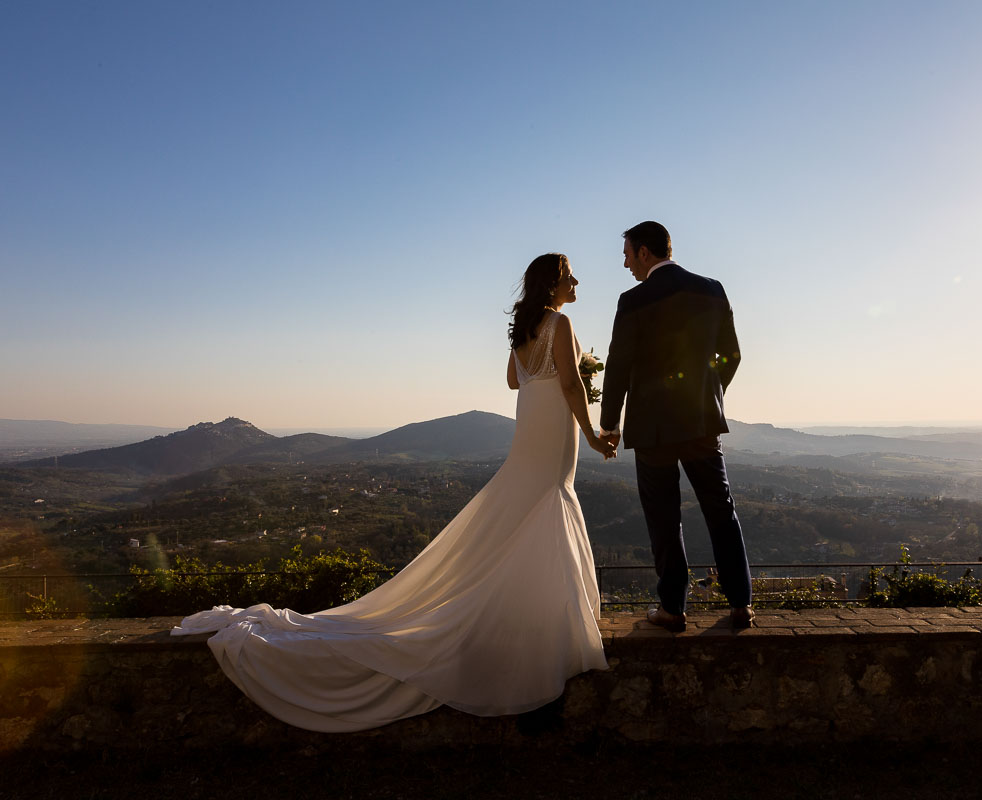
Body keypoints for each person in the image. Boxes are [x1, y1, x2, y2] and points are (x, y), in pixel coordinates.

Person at [172, 253, 614, 732]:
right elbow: (568, 382)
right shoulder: (561, 323)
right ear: (554, 283)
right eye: (569, 275)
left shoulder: (525, 330)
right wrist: (591, 433)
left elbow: (514, 380)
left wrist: (559, 371)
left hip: (529, 435)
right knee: (546, 508)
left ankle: (538, 623)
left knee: (526, 513)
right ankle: (552, 632)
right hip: (553, 438)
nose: (575, 281)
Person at [599, 221, 753, 632]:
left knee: (664, 519)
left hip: (652, 428)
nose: (626, 263)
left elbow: (618, 368)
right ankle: (741, 604)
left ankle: (673, 609)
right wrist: (708, 394)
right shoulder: (712, 289)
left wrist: (609, 425)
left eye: (628, 254)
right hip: (702, 421)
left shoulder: (633, 300)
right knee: (721, 511)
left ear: (645, 253)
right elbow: (732, 355)